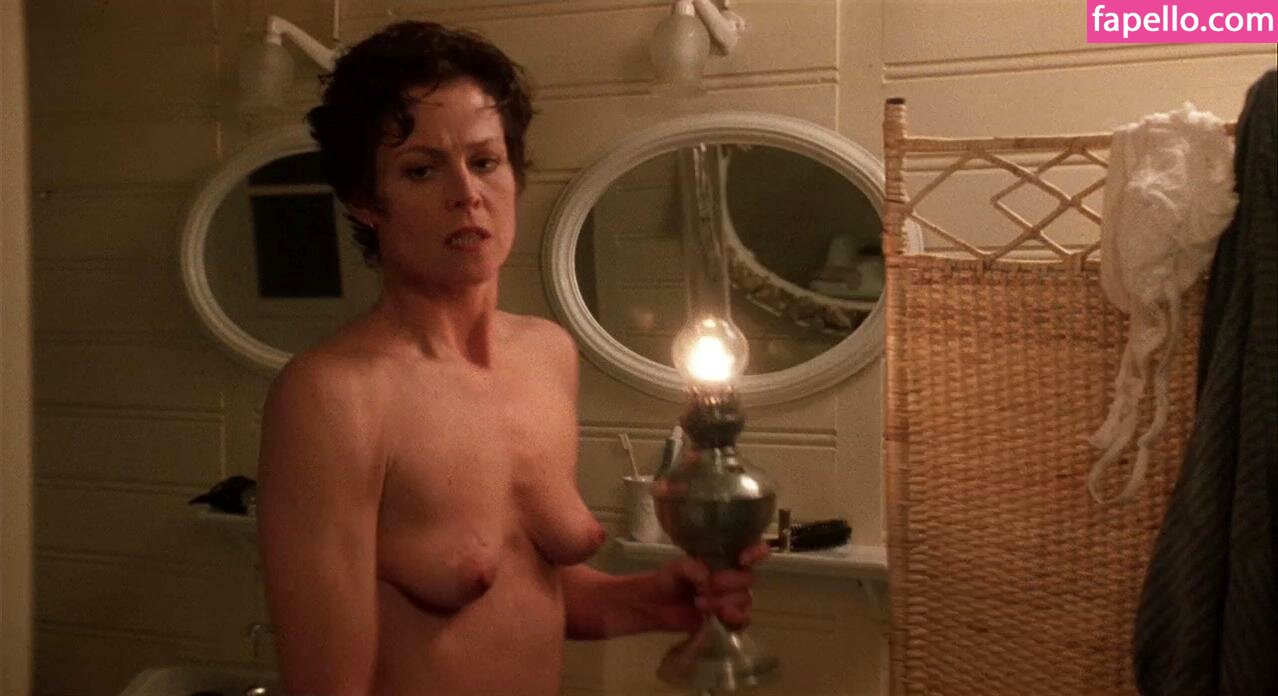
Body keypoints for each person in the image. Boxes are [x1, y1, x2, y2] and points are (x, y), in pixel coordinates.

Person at [256, 21, 767, 696]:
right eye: (421, 169)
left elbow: (527, 588)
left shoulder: (547, 355)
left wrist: (652, 600)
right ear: (365, 202)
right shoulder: (334, 396)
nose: (466, 194)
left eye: (485, 161)